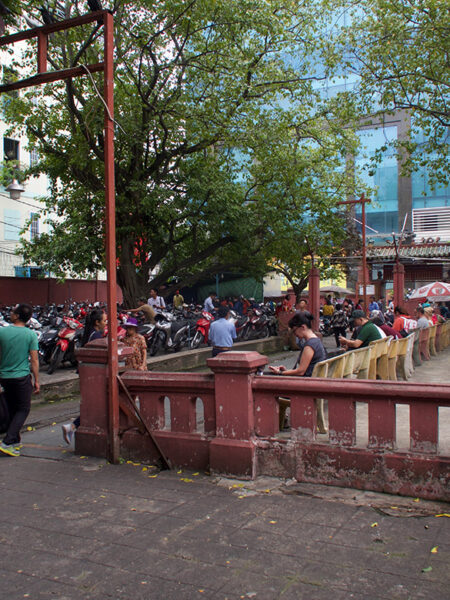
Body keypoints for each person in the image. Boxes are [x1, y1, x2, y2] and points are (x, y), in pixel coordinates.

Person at [62, 308, 107, 444]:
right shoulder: (96, 337)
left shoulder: (91, 334)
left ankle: (73, 426)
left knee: (94, 404)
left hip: (88, 375)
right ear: (97, 322)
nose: (106, 323)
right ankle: (73, 426)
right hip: (95, 376)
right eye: (104, 321)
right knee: (98, 405)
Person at [0, 304, 40, 457]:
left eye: (12, 311)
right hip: (21, 377)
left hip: (4, 377)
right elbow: (34, 360)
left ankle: (15, 441)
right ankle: (8, 441)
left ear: (16, 316)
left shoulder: (3, 332)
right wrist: (37, 380)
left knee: (12, 408)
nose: (11, 313)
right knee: (23, 409)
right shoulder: (30, 335)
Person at [269, 312, 326, 377]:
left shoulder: (310, 345)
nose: (295, 334)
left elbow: (301, 371)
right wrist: (286, 371)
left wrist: (280, 372)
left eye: (294, 330)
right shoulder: (316, 341)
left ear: (303, 327)